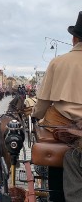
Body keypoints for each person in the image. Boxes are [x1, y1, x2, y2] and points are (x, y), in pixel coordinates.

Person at [32, 11, 82, 202]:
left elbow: (42, 103)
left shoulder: (58, 62)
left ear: (74, 38)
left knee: (56, 166)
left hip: (65, 129)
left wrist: (37, 115)